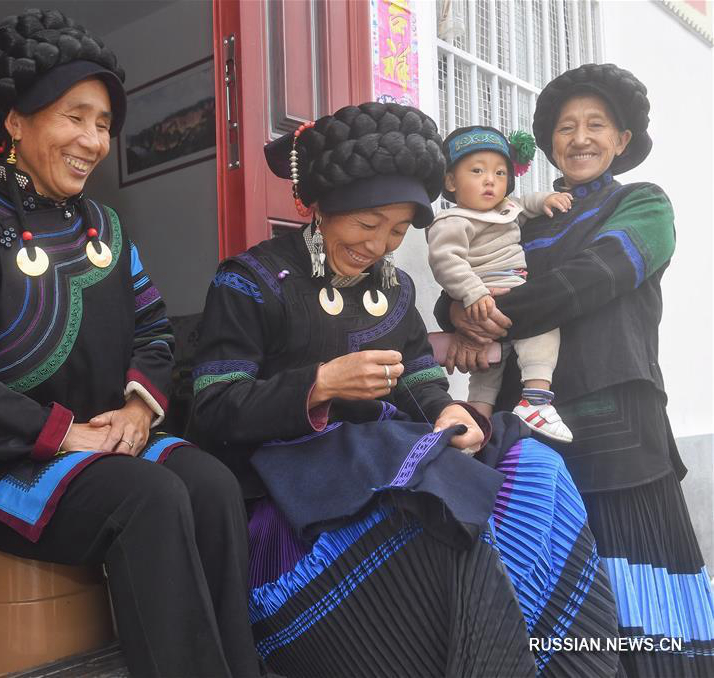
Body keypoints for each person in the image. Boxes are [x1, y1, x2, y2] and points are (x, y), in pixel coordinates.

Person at [191, 102, 620, 677]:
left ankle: (546, 653)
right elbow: (213, 408)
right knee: (441, 517)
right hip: (299, 491)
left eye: (396, 232)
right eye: (367, 225)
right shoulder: (251, 281)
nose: (380, 247)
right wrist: (317, 387)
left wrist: (447, 412)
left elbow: (419, 373)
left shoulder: (394, 289)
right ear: (317, 207)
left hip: (393, 460)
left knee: (533, 461)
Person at [0, 9, 261, 677]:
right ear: (15, 122)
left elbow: (157, 332)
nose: (94, 139)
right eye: (74, 116)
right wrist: (64, 433)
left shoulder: (105, 227)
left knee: (214, 485)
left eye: (103, 123)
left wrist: (137, 412)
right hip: (7, 467)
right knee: (150, 497)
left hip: (113, 442)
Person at [436, 63, 714, 677]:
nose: (580, 137)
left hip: (619, 430)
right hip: (527, 433)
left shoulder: (642, 205)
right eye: (566, 127)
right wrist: (456, 304)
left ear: (621, 140)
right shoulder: (518, 218)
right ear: (551, 142)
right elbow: (451, 289)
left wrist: (477, 312)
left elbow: (591, 280)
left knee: (630, 590)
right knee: (544, 591)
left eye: (597, 125)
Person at [427, 125, 574, 442]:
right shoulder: (453, 221)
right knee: (494, 364)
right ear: (451, 181)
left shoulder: (505, 210)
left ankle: (503, 414)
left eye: (500, 172)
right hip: (483, 297)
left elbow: (525, 204)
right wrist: (472, 293)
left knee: (502, 358)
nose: (490, 180)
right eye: (477, 171)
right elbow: (445, 261)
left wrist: (547, 199)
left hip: (503, 297)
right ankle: (506, 413)